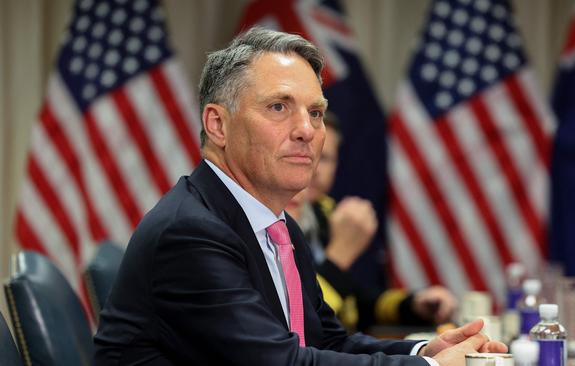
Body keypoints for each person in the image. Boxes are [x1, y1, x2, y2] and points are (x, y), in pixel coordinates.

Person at [94, 27, 506, 365]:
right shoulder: (191, 232)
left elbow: (325, 342)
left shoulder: (277, 226)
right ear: (217, 125)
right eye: (278, 107)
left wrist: (422, 349)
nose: (307, 131)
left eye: (315, 112)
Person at [287, 113, 457, 332]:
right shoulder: (266, 218)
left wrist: (412, 305)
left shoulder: (325, 213)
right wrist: (339, 257)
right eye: (304, 153)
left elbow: (353, 302)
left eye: (324, 157)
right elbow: (297, 319)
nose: (314, 166)